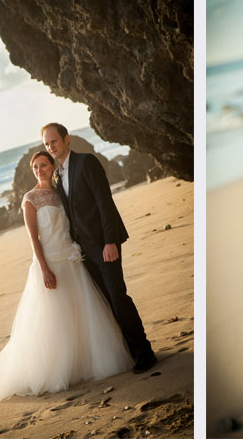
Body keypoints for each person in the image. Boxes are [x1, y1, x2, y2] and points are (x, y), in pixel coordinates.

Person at [0, 151, 133, 402]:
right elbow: (33, 239)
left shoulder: (61, 193)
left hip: (71, 259)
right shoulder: (30, 199)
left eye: (43, 165)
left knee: (80, 313)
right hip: (50, 264)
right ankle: (58, 368)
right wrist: (44, 268)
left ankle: (84, 363)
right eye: (35, 167)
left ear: (51, 167)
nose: (39, 170)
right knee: (55, 319)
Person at [41, 123, 156, 374]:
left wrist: (110, 241)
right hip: (82, 251)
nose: (51, 147)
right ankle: (129, 352)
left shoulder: (86, 162)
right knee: (104, 302)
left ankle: (145, 351)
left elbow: (105, 203)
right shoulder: (58, 174)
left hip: (104, 244)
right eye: (47, 144)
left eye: (54, 141)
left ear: (66, 139)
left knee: (118, 298)